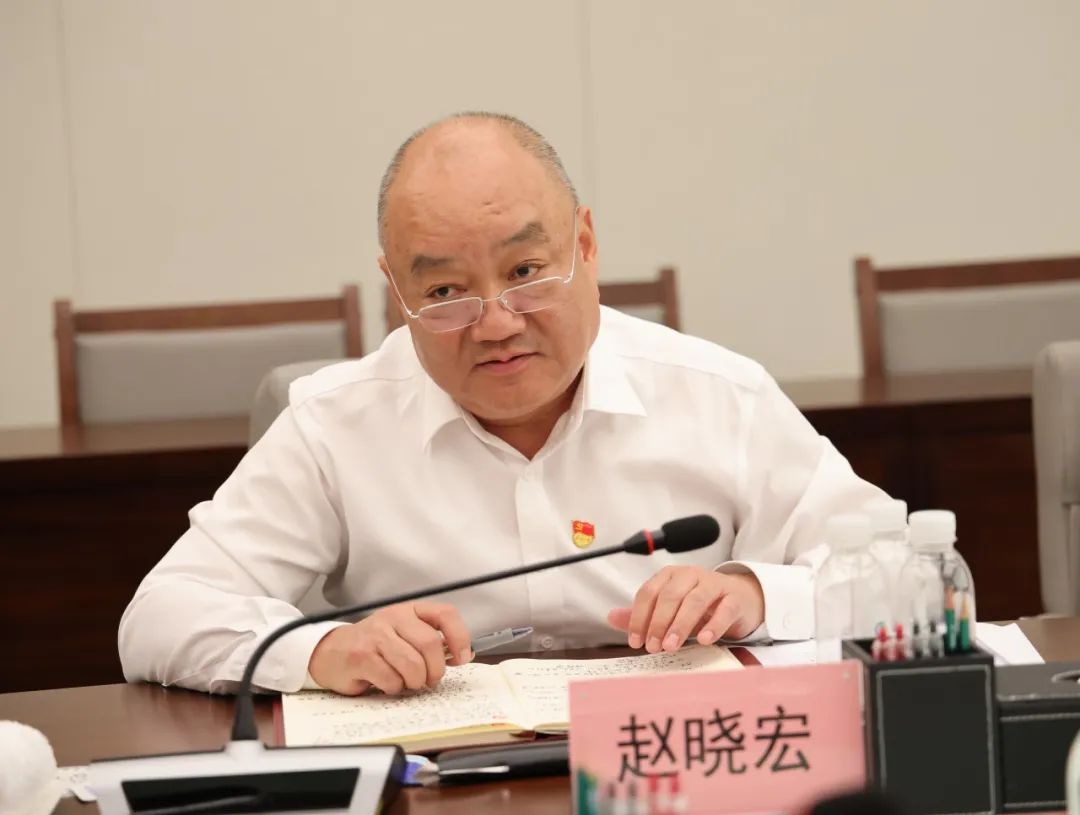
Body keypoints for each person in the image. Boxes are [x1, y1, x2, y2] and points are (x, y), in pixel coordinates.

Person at [118, 112, 885, 697]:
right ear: (396, 291)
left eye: (525, 272)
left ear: (586, 245)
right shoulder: (333, 424)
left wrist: (755, 594)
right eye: (445, 290)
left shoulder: (720, 395)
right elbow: (161, 615)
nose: (495, 323)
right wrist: (321, 650)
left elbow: (904, 574)